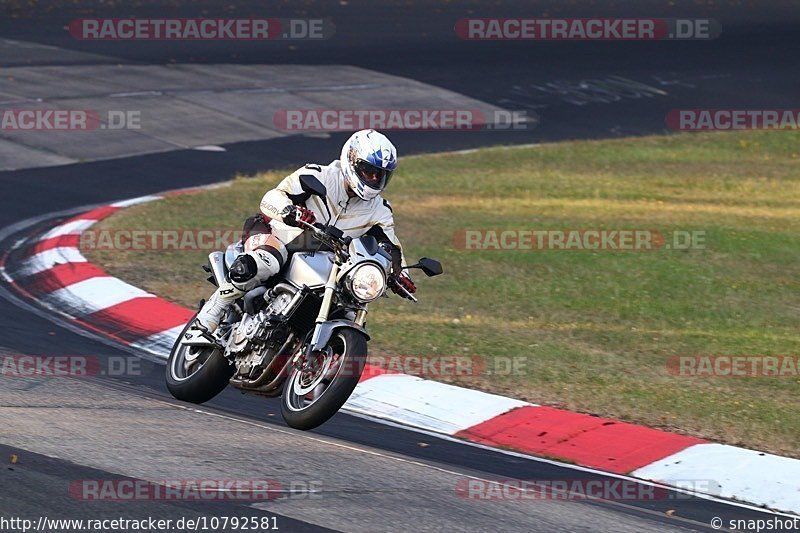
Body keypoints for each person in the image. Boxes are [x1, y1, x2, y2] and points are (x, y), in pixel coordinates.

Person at [183, 129, 416, 345]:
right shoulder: (317, 174)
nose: (374, 179)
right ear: (351, 160)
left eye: (381, 175)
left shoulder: (380, 210)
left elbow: (390, 247)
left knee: (348, 300)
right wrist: (289, 211)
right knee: (265, 263)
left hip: (324, 259)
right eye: (369, 171)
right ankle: (208, 319)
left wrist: (401, 274)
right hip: (277, 235)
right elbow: (271, 198)